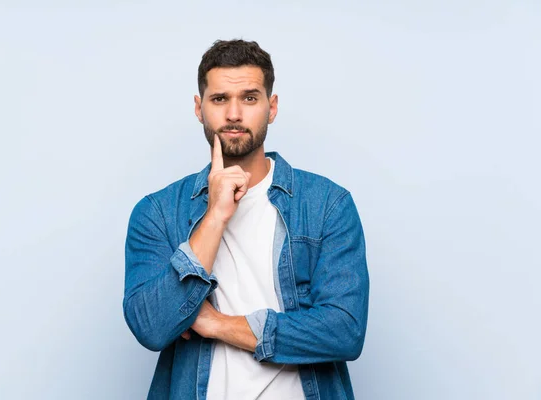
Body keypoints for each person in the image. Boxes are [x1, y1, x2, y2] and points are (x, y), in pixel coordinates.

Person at [123, 39, 369, 400]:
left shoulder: (327, 205)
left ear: (272, 108)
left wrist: (213, 323)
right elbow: (152, 327)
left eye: (250, 98)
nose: (234, 114)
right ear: (199, 108)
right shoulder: (158, 213)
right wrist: (216, 215)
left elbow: (345, 331)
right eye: (220, 99)